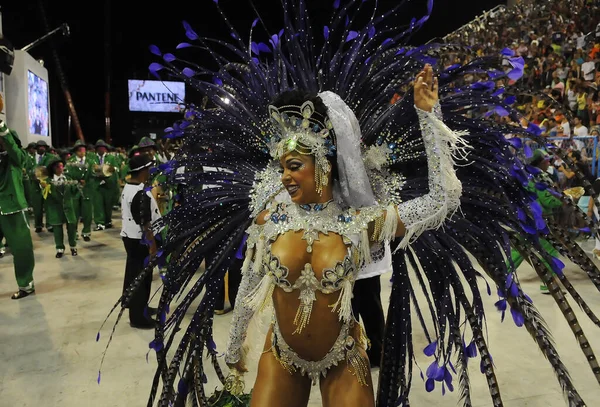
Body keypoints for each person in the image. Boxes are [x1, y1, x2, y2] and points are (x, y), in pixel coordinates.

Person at [101, 3, 600, 406]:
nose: (284, 175)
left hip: (341, 356)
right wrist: (233, 362)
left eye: (293, 166)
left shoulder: (363, 222)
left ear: (323, 164)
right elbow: (252, 288)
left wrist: (429, 118)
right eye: (281, 166)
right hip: (282, 356)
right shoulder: (270, 215)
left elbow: (446, 198)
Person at [120, 153, 161, 329]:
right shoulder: (140, 193)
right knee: (140, 278)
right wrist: (152, 246)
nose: (151, 170)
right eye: (149, 167)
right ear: (143, 171)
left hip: (130, 236)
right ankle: (138, 318)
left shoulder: (129, 187)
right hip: (139, 240)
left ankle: (140, 307)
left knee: (136, 274)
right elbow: (145, 223)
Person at [0, 98, 36, 299]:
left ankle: (26, 285)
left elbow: (17, 154)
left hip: (12, 207)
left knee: (21, 248)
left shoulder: (15, 159)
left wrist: (1, 128)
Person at [41, 159, 79, 258]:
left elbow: (74, 192)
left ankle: (73, 247)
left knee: (71, 228)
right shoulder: (48, 181)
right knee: (57, 229)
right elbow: (45, 196)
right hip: (55, 208)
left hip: (68, 207)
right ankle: (59, 248)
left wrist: (77, 186)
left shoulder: (68, 178)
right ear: (53, 168)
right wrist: (44, 187)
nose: (60, 169)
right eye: (58, 166)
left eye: (62, 166)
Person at [67, 140, 93, 241]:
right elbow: (67, 176)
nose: (82, 152)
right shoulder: (70, 162)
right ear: (76, 151)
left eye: (83, 149)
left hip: (87, 190)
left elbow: (93, 175)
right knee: (74, 213)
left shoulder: (90, 161)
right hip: (74, 191)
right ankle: (74, 232)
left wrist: (87, 182)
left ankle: (86, 232)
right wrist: (75, 182)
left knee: (87, 213)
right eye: (79, 150)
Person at [90, 139, 119, 230]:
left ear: (105, 149)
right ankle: (100, 223)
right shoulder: (92, 158)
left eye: (103, 148)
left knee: (108, 203)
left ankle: (108, 221)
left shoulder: (111, 158)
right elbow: (90, 169)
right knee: (98, 204)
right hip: (97, 184)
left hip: (108, 183)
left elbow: (116, 168)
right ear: (97, 149)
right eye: (99, 148)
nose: (101, 149)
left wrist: (112, 170)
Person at [31, 140, 57, 233]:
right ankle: (38, 225)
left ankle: (50, 225)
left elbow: (54, 169)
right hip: (35, 185)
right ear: (36, 148)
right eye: (40, 146)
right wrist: (33, 174)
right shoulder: (31, 157)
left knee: (49, 206)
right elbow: (26, 168)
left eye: (43, 147)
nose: (42, 148)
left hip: (47, 185)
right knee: (37, 207)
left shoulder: (51, 158)